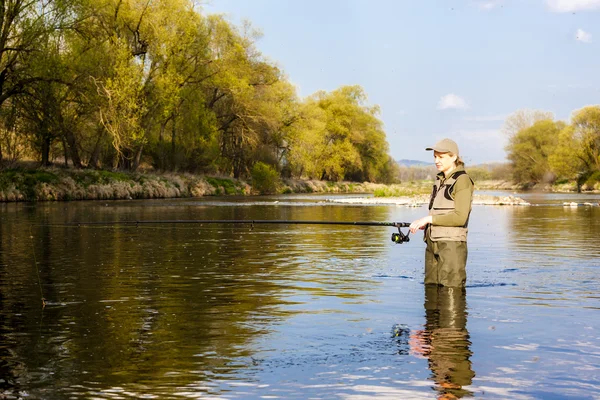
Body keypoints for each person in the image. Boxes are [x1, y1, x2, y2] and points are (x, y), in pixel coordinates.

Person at [409, 138, 474, 288]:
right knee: (430, 292)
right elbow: (442, 213)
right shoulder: (439, 180)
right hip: (432, 243)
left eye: (441, 157)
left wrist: (429, 219)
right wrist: (425, 224)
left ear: (454, 157)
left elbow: (460, 217)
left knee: (451, 298)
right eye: (435, 157)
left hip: (451, 246)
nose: (437, 160)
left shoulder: (462, 180)